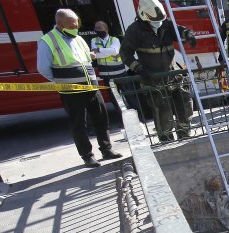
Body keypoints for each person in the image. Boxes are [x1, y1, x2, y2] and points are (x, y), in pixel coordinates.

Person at [37, 9, 121, 168]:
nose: (75, 28)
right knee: (79, 124)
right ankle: (87, 156)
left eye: (77, 25)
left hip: (91, 87)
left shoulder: (78, 38)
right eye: (71, 26)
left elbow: (85, 58)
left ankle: (106, 149)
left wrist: (91, 57)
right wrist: (63, 80)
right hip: (71, 92)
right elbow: (43, 68)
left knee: (101, 118)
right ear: (60, 24)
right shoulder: (47, 41)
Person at [120, 0, 197, 142]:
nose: (159, 23)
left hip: (172, 74)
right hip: (152, 78)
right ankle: (166, 138)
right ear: (144, 16)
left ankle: (184, 134)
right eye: (155, 21)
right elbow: (125, 54)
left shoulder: (165, 24)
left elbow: (179, 29)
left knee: (184, 104)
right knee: (163, 111)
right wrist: (139, 68)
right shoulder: (135, 30)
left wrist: (189, 34)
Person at [90, 20, 145, 116]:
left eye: (99, 28)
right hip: (107, 76)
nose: (97, 30)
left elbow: (115, 51)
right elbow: (95, 56)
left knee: (130, 96)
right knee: (115, 99)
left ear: (106, 29)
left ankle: (140, 117)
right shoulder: (93, 41)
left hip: (121, 74)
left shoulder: (114, 39)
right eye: (96, 28)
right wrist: (106, 52)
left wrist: (99, 50)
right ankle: (123, 120)